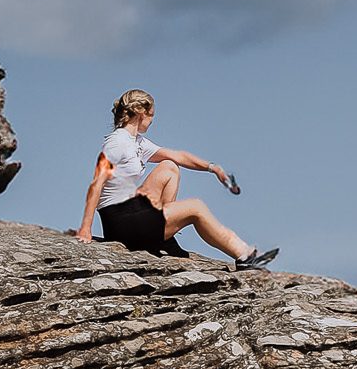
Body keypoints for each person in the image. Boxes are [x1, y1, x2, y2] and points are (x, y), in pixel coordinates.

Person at [75, 89, 278, 270]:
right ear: (140, 112)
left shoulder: (137, 142)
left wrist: (213, 168)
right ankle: (245, 255)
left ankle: (164, 238)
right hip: (121, 223)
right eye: (151, 115)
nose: (152, 120)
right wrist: (86, 228)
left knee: (169, 166)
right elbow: (97, 183)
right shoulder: (117, 143)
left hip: (133, 211)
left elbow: (177, 156)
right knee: (196, 207)